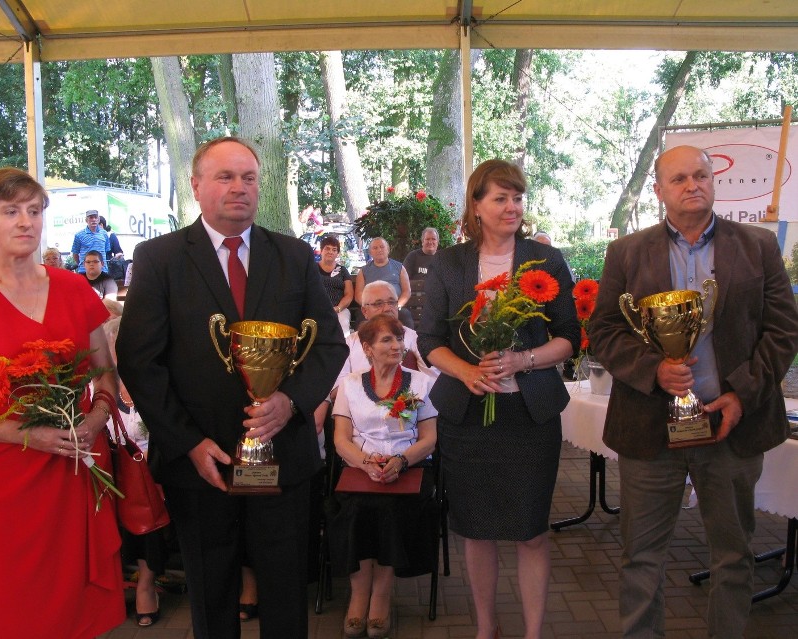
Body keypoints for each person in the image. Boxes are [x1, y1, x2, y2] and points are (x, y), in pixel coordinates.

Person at [116, 136, 348, 639]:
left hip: (281, 452)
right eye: (225, 177)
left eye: (249, 177)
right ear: (197, 186)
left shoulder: (292, 255)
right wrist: (187, 443)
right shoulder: (159, 259)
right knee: (211, 591)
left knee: (286, 593)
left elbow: (330, 346)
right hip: (201, 461)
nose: (239, 188)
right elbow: (139, 362)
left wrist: (289, 401)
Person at [588, 145, 798, 639]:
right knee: (641, 558)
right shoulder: (627, 252)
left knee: (733, 556)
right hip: (649, 430)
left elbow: (783, 330)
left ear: (713, 181)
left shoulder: (757, 247)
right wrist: (652, 370)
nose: (692, 185)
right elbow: (604, 330)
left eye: (700, 175)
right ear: (659, 191)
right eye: (679, 179)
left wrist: (742, 394)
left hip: (731, 427)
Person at [0, 167, 125, 638]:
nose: (26, 221)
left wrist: (98, 416)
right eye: (11, 212)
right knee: (14, 604)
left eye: (34, 210)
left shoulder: (71, 288)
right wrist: (28, 434)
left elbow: (105, 369)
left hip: (72, 465)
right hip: (3, 477)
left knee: (75, 605)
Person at [417, 159, 578, 639]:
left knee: (531, 530)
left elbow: (570, 336)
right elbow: (428, 340)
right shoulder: (450, 263)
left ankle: (532, 633)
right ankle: (486, 628)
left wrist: (522, 361)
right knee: (476, 529)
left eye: (518, 197)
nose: (512, 207)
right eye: (501, 198)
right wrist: (467, 370)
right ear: (476, 205)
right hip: (468, 418)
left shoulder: (546, 260)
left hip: (530, 417)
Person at [328, 314, 438, 639]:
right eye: (387, 340)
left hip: (409, 467)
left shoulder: (419, 383)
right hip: (361, 469)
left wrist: (401, 461)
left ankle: (381, 595)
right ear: (367, 348)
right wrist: (365, 463)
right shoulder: (349, 385)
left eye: (399, 339)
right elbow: (340, 439)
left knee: (390, 510)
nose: (397, 346)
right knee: (353, 509)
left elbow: (429, 439)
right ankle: (359, 594)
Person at [103, 317, 167, 628]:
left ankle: (146, 582)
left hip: (154, 471)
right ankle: (110, 585)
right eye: (116, 347)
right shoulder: (99, 390)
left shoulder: (156, 385)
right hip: (112, 473)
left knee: (147, 494)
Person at [354, 237, 414, 329]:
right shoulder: (363, 271)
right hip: (373, 307)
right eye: (375, 248)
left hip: (394, 307)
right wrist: (371, 307)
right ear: (370, 252)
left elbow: (407, 291)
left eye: (382, 247)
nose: (379, 250)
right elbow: (358, 294)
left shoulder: (400, 268)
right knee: (361, 319)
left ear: (388, 250)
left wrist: (397, 306)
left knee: (405, 315)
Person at [318, 234, 354, 337]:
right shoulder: (312, 268)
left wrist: (338, 308)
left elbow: (349, 294)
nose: (330, 252)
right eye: (327, 248)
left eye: (334, 250)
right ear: (321, 250)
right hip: (317, 308)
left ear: (337, 253)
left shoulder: (343, 270)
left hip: (339, 309)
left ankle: (344, 352)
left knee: (343, 325)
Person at [71, 209, 110, 273]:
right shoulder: (79, 235)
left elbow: (105, 251)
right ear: (86, 220)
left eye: (95, 217)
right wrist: (82, 265)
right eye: (91, 217)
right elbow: (75, 254)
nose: (94, 219)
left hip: (102, 270)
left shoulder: (104, 234)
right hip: (85, 271)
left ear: (98, 219)